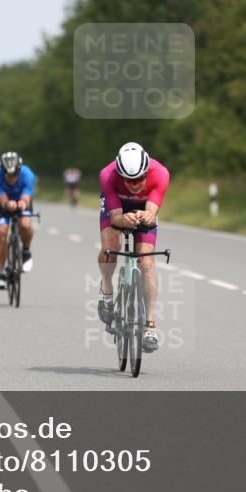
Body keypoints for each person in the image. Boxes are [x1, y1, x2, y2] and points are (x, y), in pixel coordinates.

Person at [97, 142, 169, 353]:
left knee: (146, 261)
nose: (135, 184)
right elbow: (115, 218)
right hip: (117, 206)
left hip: (145, 206)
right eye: (129, 180)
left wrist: (148, 216)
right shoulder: (108, 175)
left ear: (147, 171)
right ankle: (106, 289)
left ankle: (150, 326)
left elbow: (152, 211)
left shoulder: (160, 174)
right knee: (110, 246)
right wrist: (123, 219)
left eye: (139, 179)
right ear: (120, 174)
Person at [0, 151, 36, 289]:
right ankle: (0, 272)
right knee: (1, 231)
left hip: (21, 198)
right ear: (2, 172)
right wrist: (7, 204)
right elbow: (2, 199)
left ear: (19, 170)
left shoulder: (28, 175)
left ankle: (26, 251)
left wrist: (22, 203)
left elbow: (26, 197)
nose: (11, 179)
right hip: (3, 201)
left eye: (15, 175)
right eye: (7, 176)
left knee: (25, 224)